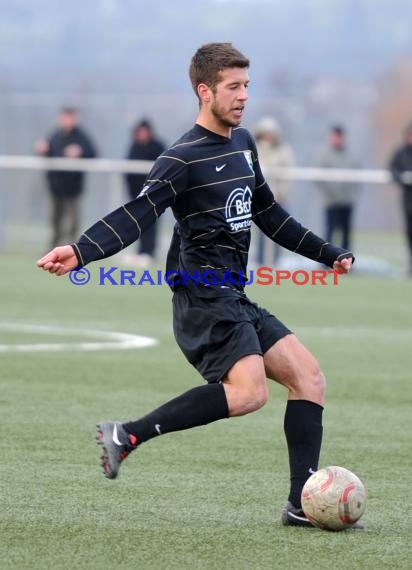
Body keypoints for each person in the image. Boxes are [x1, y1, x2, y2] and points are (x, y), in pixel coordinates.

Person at [37, 43, 355, 529]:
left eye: (247, 85)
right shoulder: (180, 159)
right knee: (249, 393)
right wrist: (80, 250)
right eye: (233, 86)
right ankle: (127, 434)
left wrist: (328, 252)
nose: (244, 95)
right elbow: (136, 214)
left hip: (234, 295)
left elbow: (267, 213)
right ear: (205, 92)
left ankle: (299, 504)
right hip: (202, 298)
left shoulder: (245, 143)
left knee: (309, 379)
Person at [35, 107, 97, 248]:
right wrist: (42, 150)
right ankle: (53, 248)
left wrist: (80, 152)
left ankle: (70, 249)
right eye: (65, 118)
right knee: (55, 220)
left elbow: (93, 152)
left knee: (73, 221)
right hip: (55, 186)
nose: (68, 121)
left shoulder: (81, 137)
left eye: (71, 118)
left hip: (73, 187)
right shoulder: (55, 135)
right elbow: (48, 152)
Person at [254, 116, 295, 265]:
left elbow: (288, 174)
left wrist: (282, 194)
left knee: (279, 230)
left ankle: (275, 261)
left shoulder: (284, 151)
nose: (267, 137)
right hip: (260, 199)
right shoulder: (256, 148)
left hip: (279, 198)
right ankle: (260, 260)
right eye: (265, 134)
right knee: (262, 230)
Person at [124, 119, 166, 266]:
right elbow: (129, 172)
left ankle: (149, 252)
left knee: (152, 223)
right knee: (138, 225)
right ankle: (140, 252)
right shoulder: (134, 147)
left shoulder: (158, 146)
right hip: (137, 196)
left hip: (154, 195)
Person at [315, 125, 361, 251]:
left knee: (346, 232)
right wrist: (330, 192)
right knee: (330, 231)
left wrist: (351, 193)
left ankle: (346, 261)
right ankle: (326, 260)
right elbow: (318, 177)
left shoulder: (350, 155)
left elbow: (357, 175)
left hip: (347, 200)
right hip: (331, 201)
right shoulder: (324, 155)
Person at [389, 121, 412, 275]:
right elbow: (392, 169)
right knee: (409, 235)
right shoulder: (400, 153)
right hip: (408, 202)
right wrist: (402, 179)